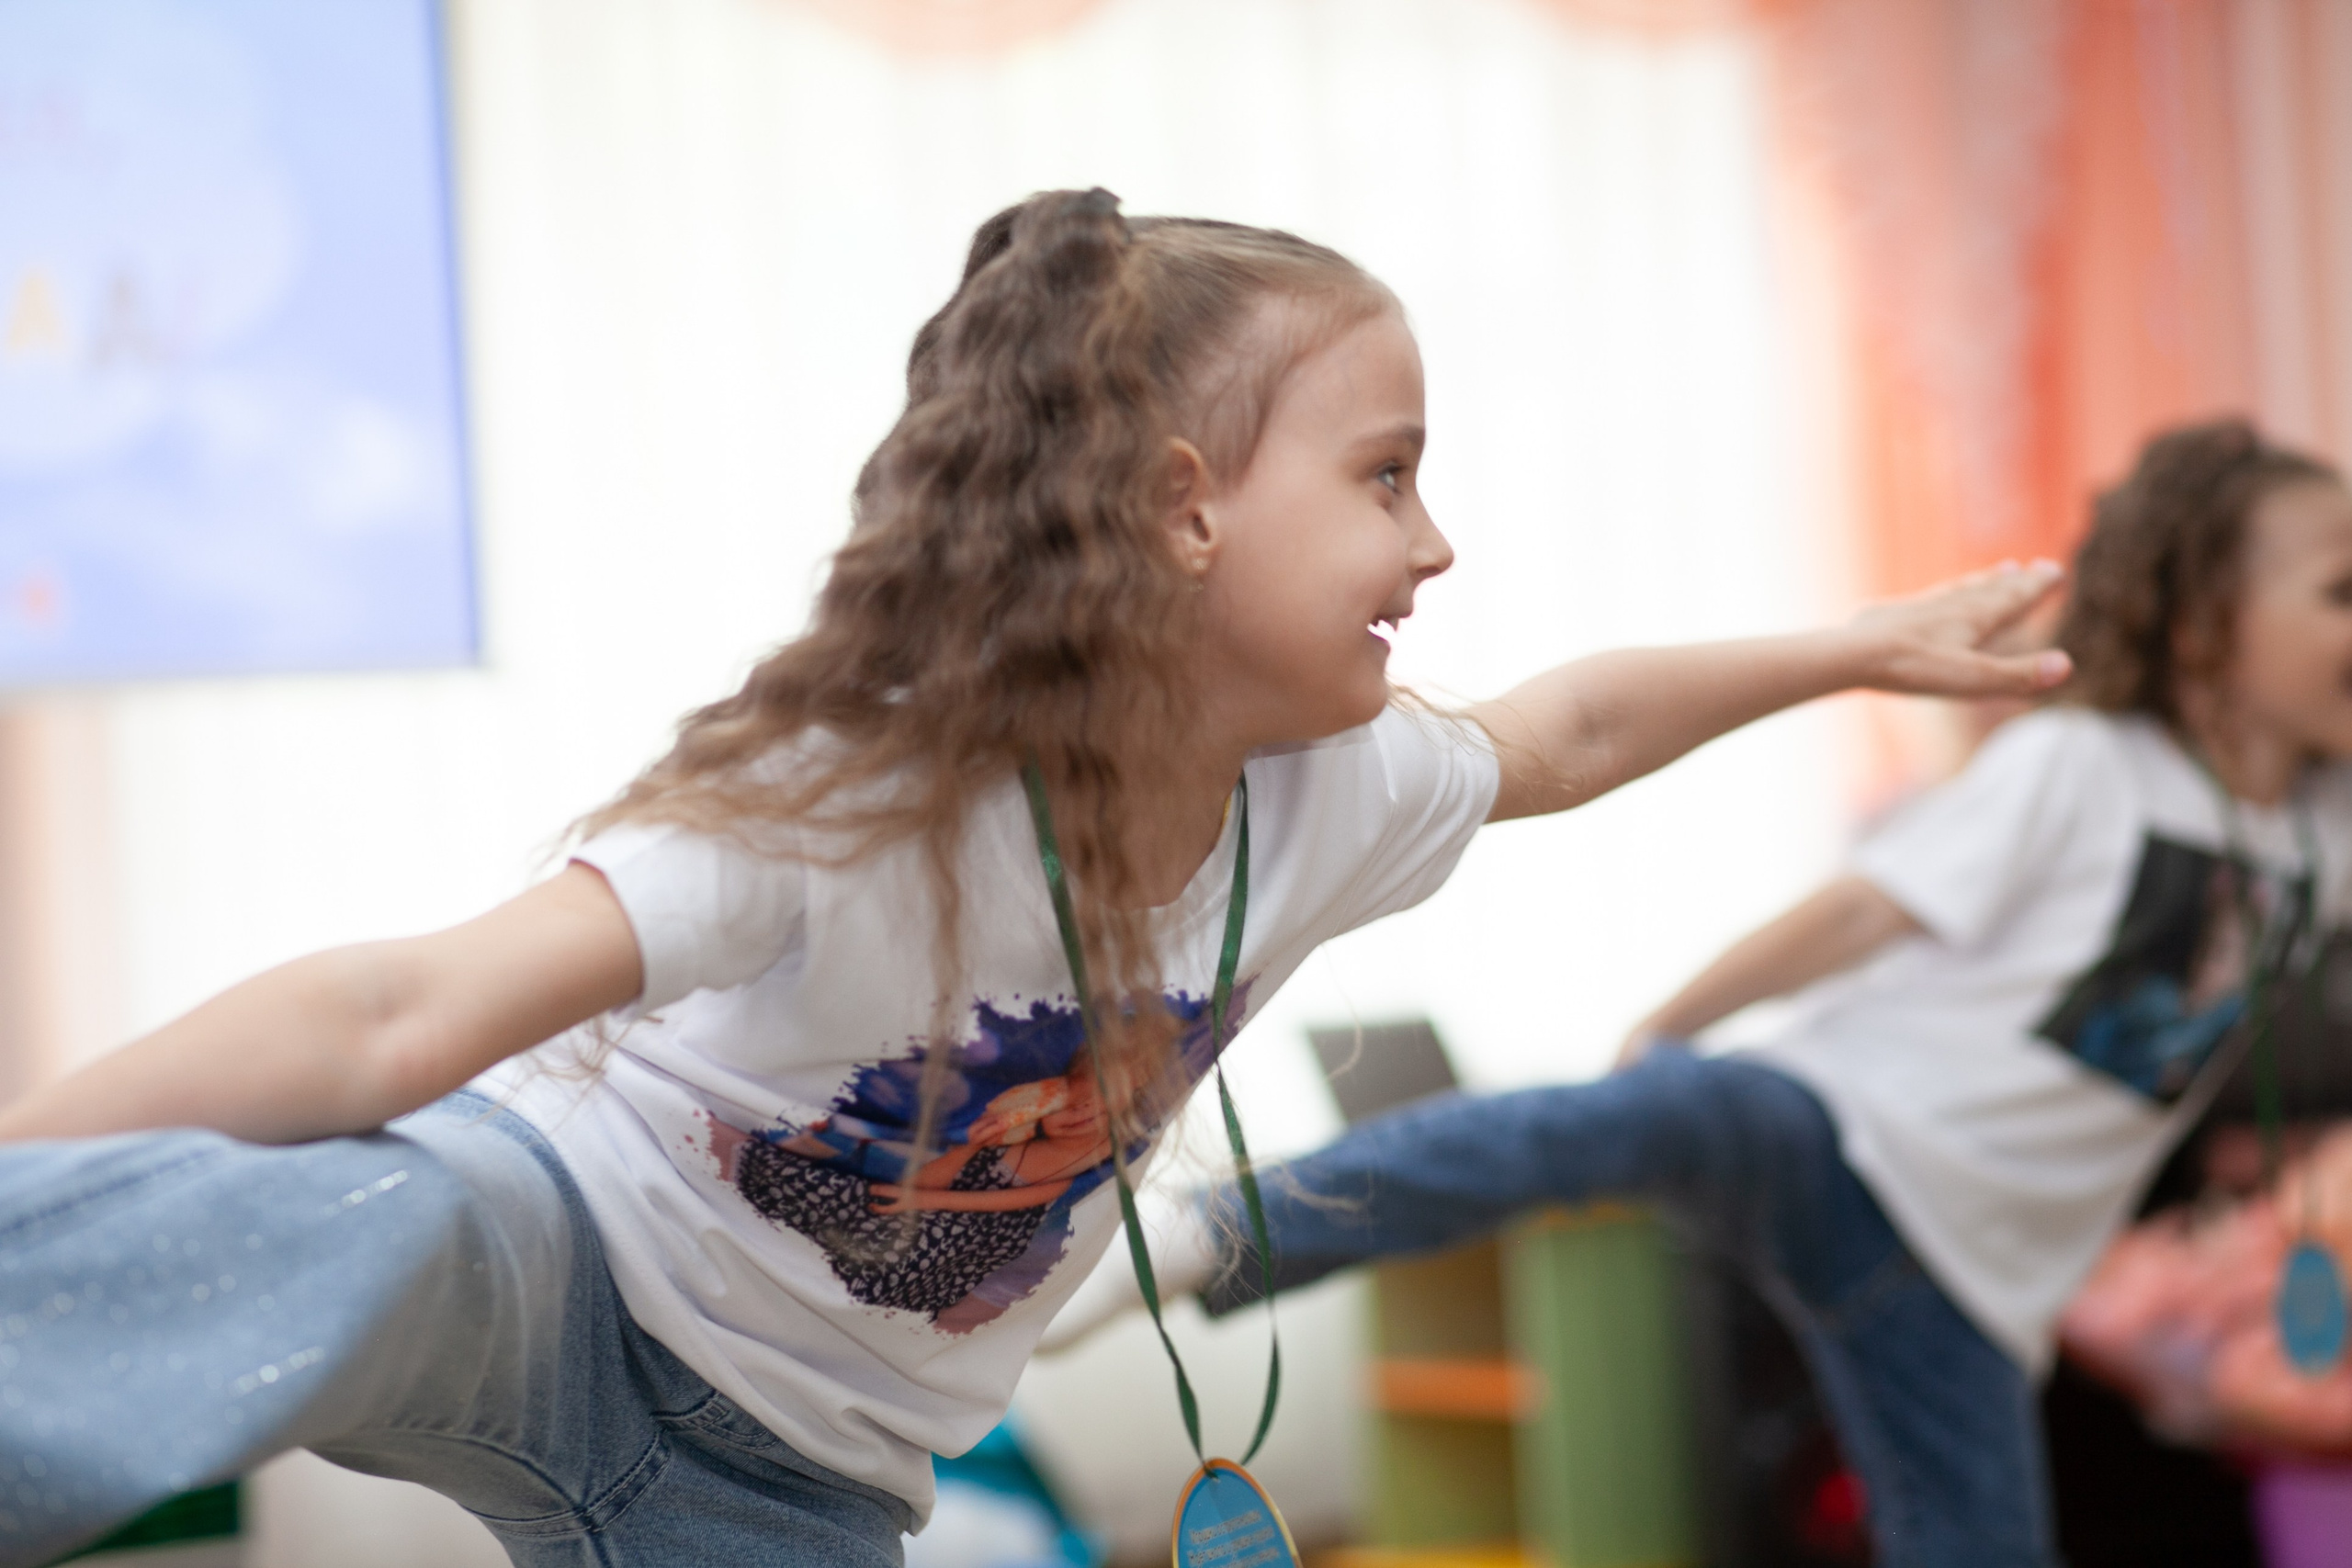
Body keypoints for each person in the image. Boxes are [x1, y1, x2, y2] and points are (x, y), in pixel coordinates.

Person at [0, 188, 2064, 1568]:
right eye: (1382, 474)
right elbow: (393, 1013)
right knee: (348, 1216)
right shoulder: (874, 783)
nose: (1430, 546)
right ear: (1181, 509)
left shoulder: (1327, 794)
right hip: (565, 1260)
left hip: (798, 1476)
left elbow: (1566, 733)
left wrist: (1865, 643)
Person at [1041, 419, 2352, 1568]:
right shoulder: (2086, 765)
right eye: (2340, 591)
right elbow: (1860, 909)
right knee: (1569, 1134)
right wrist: (1673, 1022)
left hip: (1973, 1282)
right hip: (1844, 1132)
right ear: (2204, 627)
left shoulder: (2321, 833)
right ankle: (1214, 1229)